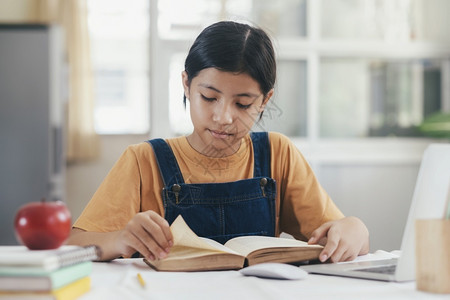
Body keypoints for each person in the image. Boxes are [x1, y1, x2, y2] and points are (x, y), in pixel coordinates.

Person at [67, 21, 369, 263]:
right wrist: (120, 238)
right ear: (186, 84)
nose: (224, 117)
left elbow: (337, 234)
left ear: (265, 100)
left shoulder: (279, 154)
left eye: (243, 104)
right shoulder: (143, 160)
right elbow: (73, 245)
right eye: (209, 97)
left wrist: (355, 229)